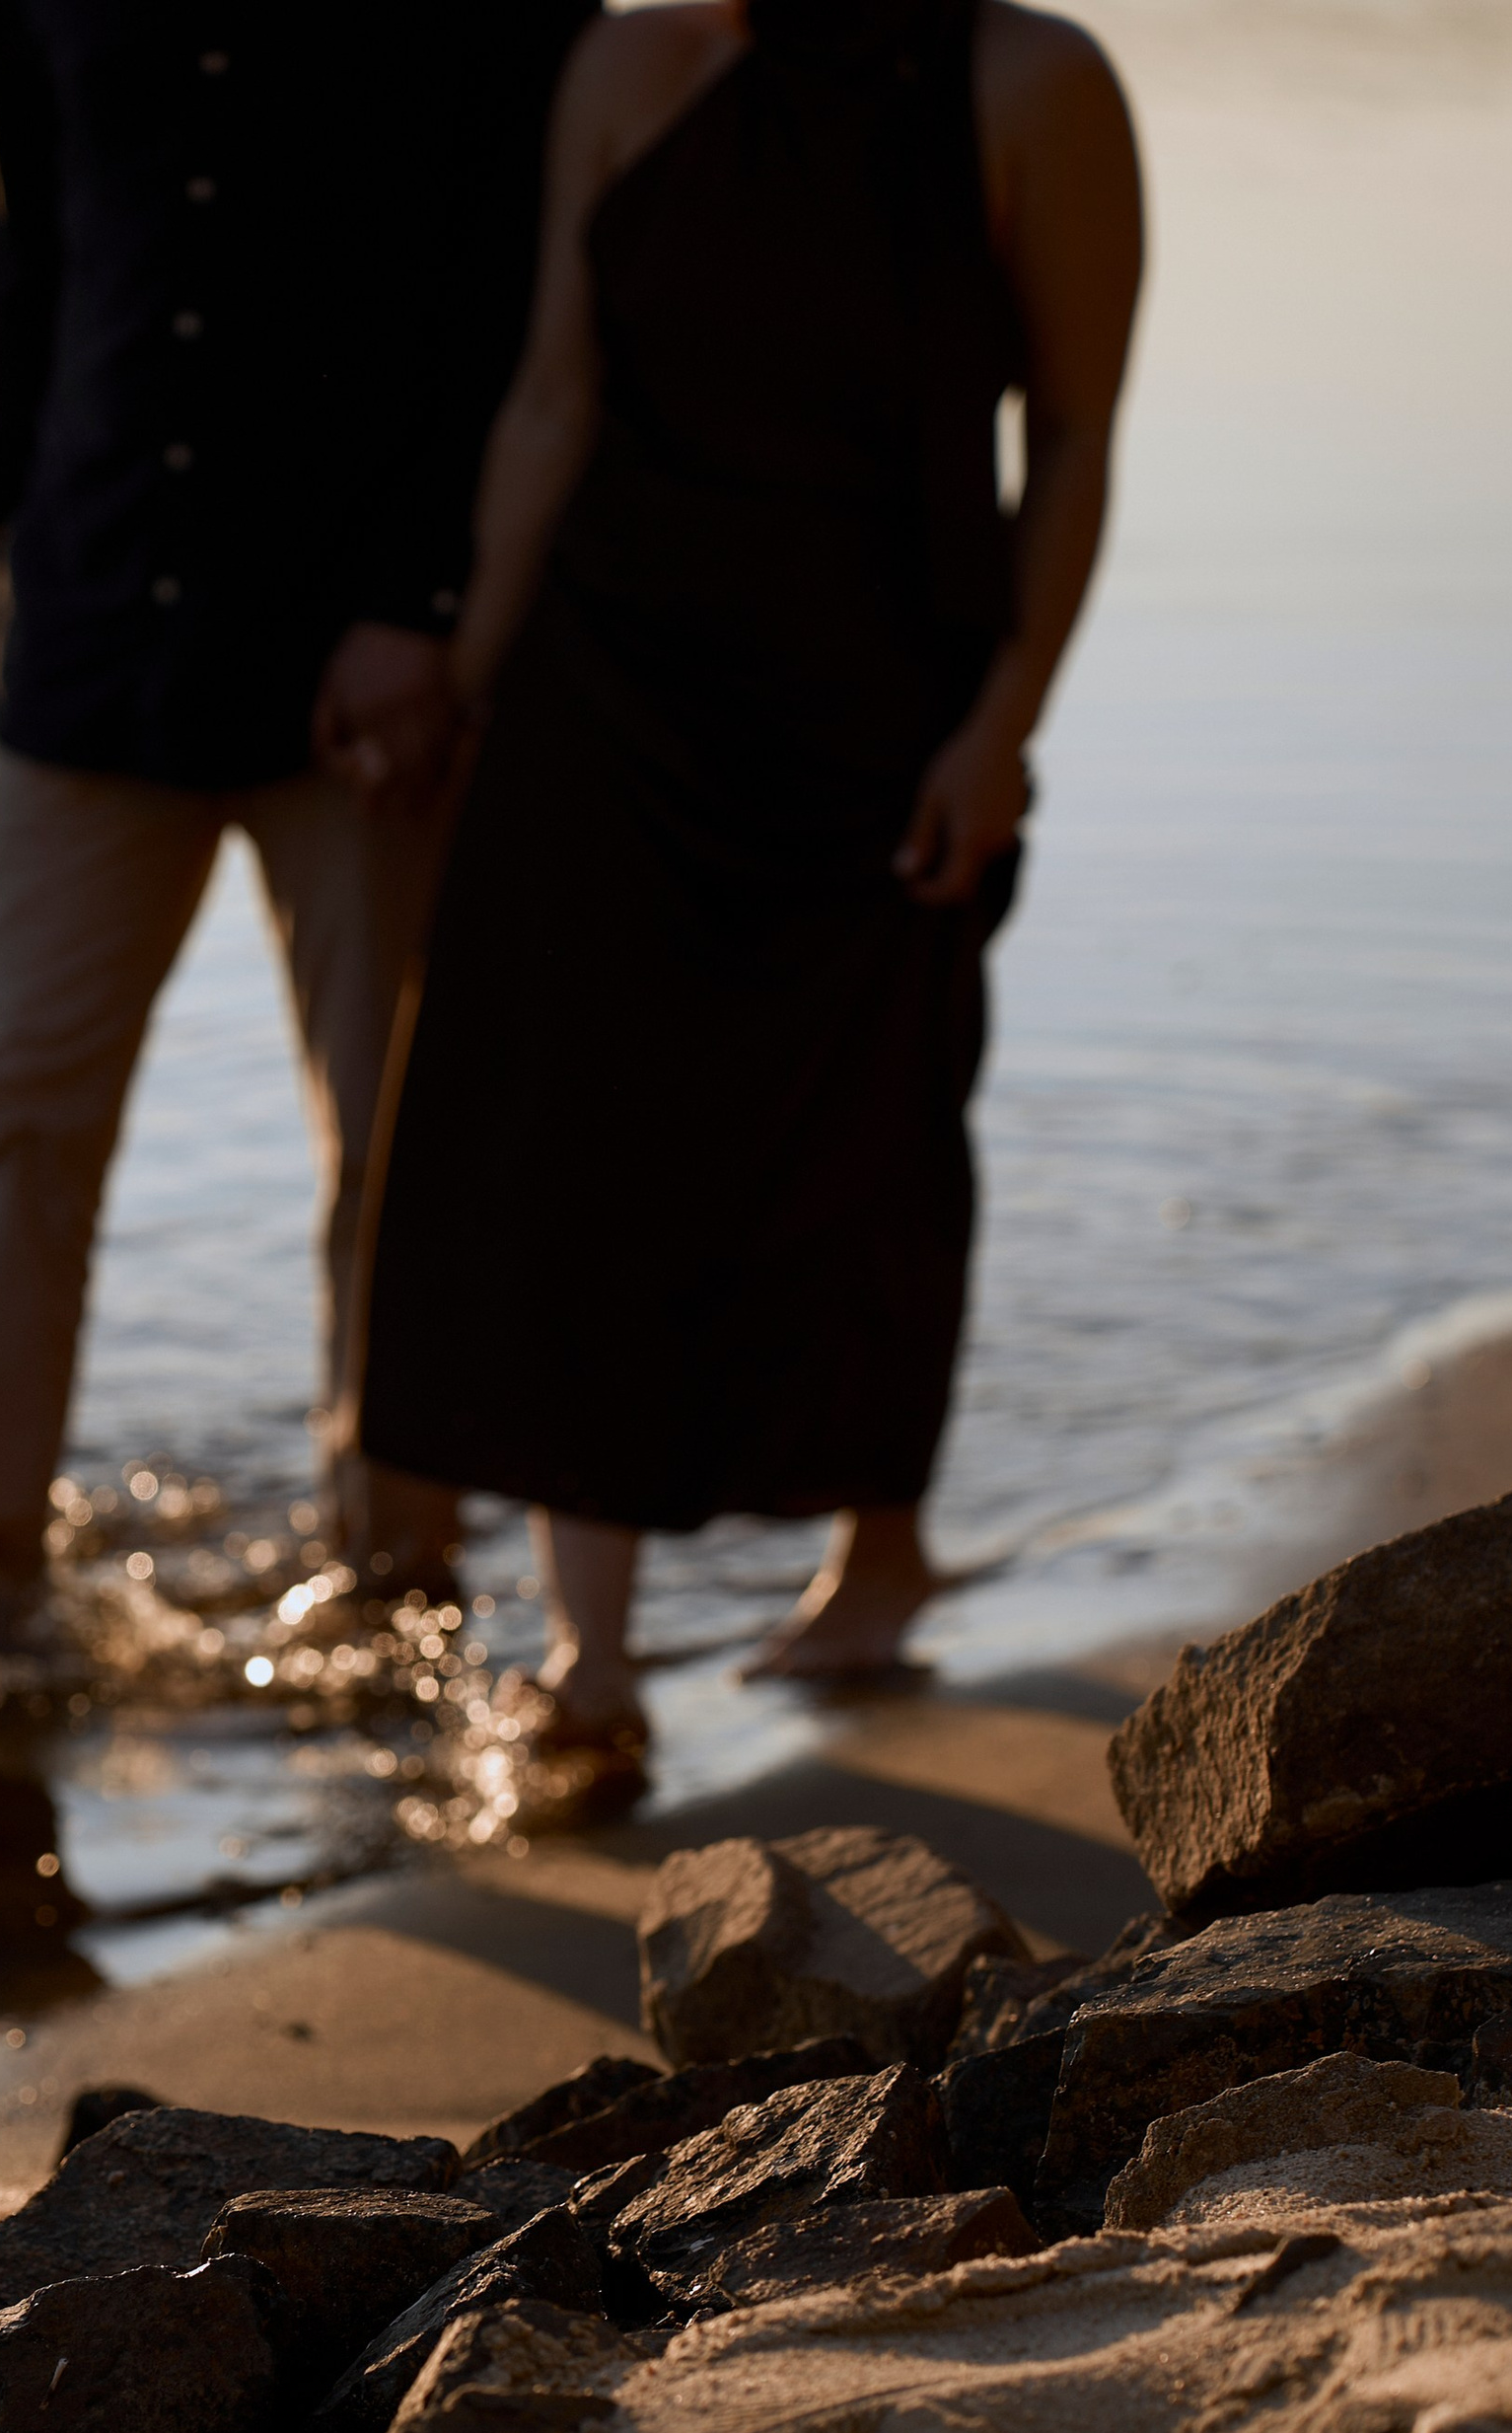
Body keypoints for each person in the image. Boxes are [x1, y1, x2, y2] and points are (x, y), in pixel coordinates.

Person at [356, 0, 1143, 1770]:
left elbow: (1077, 437)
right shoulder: (627, 64)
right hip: (604, 690)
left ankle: (881, 1555)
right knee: (566, 1138)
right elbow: (556, 395)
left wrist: (1002, 728)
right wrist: (467, 685)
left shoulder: (1031, 83)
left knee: (875, 1120)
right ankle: (596, 1657)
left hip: (881, 701)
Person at [0, 0, 593, 1659]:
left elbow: (530, 292)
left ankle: (398, 1588)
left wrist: (429, 607)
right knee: (22, 1109)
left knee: (392, 1134)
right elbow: (30, 268)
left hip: (359, 675)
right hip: (89, 641)